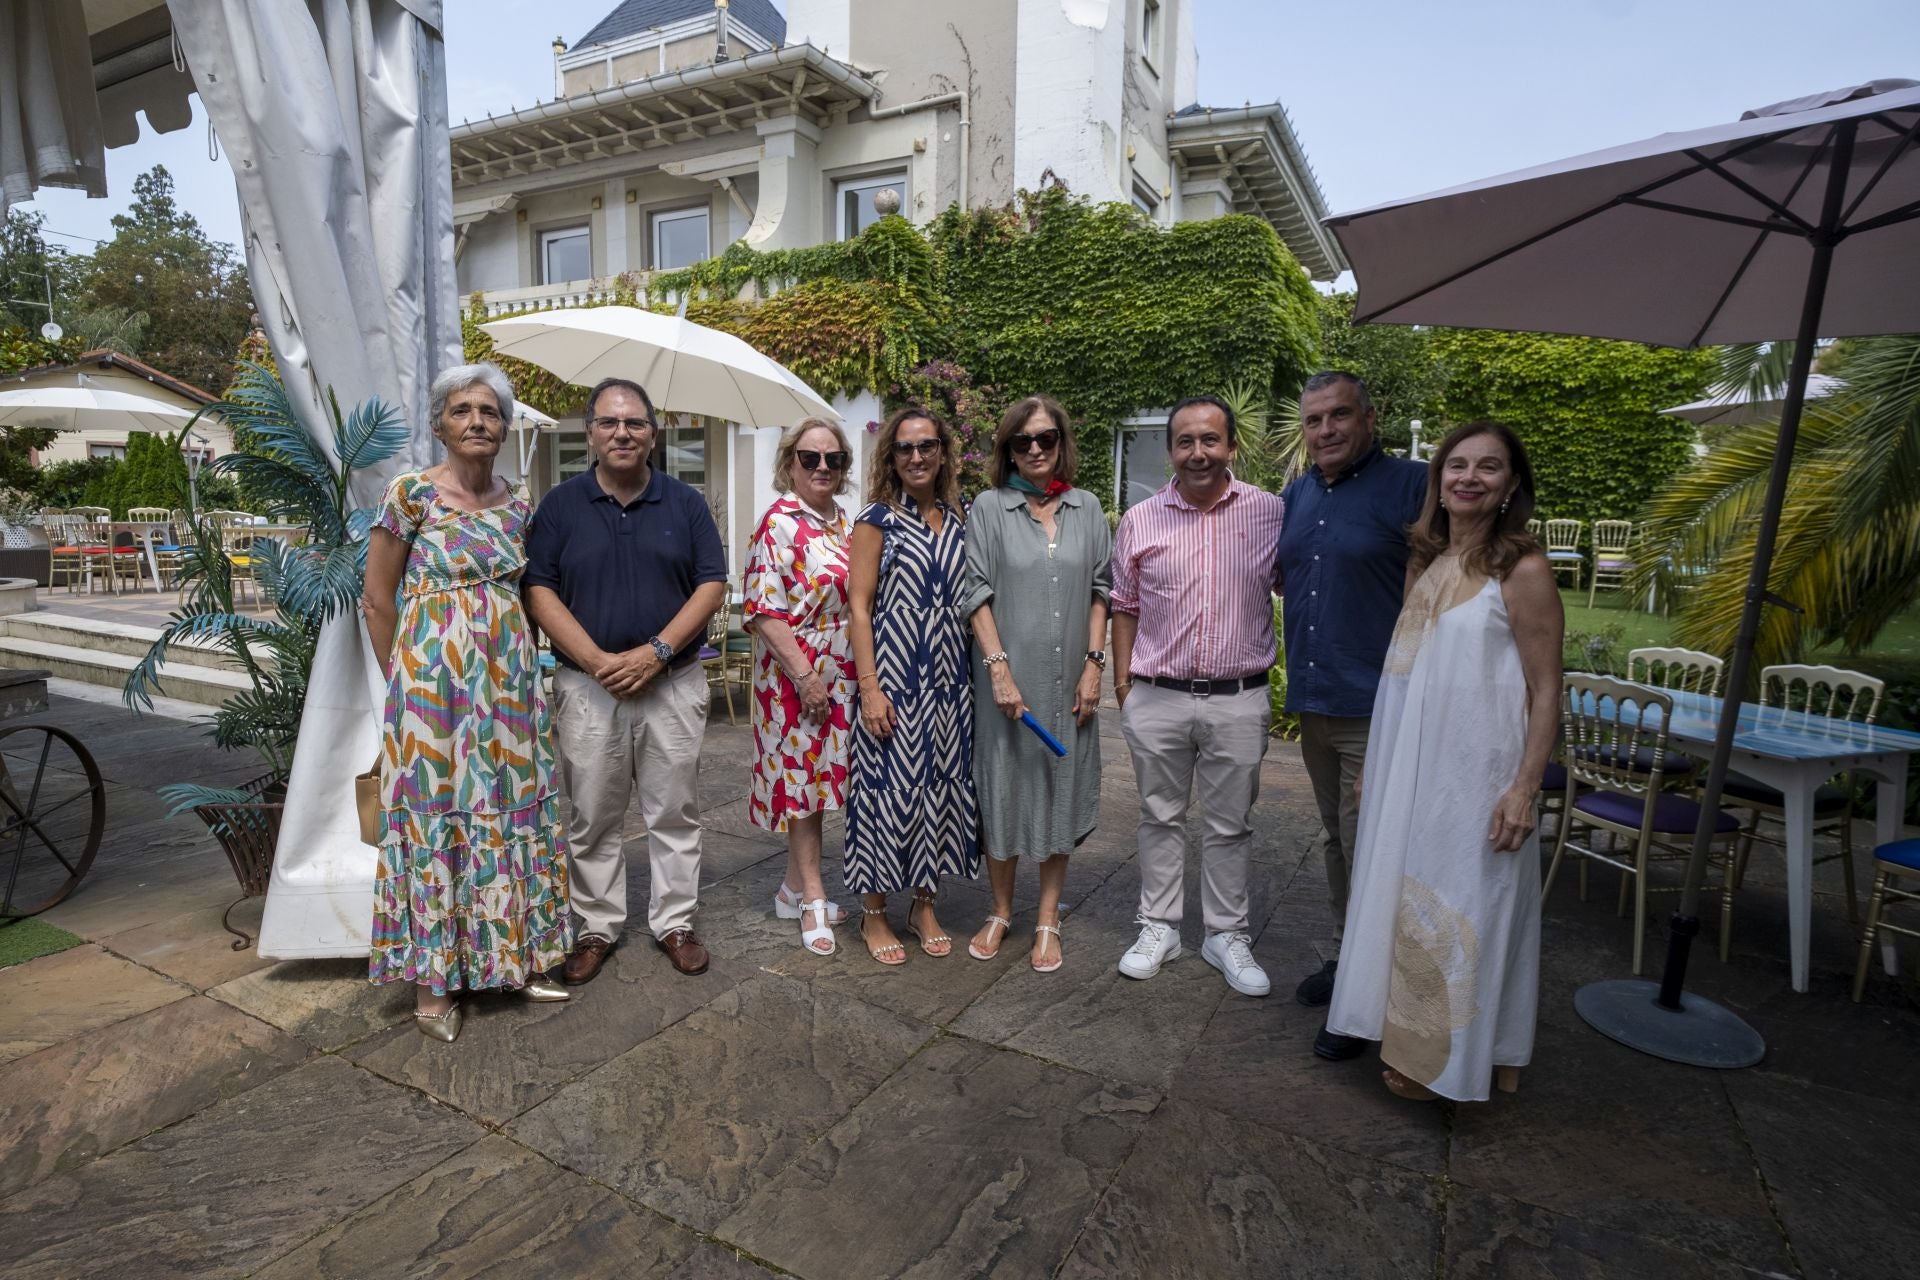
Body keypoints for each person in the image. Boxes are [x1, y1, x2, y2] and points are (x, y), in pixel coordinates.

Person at [1323, 422, 1562, 1102]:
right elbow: (1406, 674)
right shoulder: (1425, 562)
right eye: (1457, 464)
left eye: (1489, 467)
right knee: (1409, 897)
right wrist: (1377, 760)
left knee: (1467, 906)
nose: (1469, 477)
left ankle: (1456, 1060)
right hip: (1412, 768)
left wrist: (1524, 788)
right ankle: (1408, 1035)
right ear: (1438, 480)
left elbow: (1547, 689)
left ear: (1512, 484)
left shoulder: (1523, 570)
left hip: (1479, 772)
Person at [363, 361, 572, 1042]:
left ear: (506, 427)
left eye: (490, 412)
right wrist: (403, 683)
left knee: (514, 818)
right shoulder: (410, 496)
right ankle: (433, 985)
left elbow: (531, 597)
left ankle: (517, 958)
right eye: (463, 410)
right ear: (438, 423)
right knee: (435, 821)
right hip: (432, 695)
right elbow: (377, 598)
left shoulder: (519, 504)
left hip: (509, 688)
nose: (478, 421)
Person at [525, 378, 727, 982]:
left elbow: (711, 583)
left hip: (672, 681)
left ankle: (675, 922)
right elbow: (539, 589)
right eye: (609, 422)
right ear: (589, 432)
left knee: (674, 811)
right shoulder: (560, 506)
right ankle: (596, 925)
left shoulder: (684, 502)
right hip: (588, 688)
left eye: (634, 423)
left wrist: (657, 652)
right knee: (592, 814)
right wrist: (594, 660)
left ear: (653, 433)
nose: (622, 433)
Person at [1110, 395, 1285, 996]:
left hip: (1239, 697)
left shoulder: (1270, 513)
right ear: (1170, 452)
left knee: (1229, 825)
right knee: (1159, 816)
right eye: (1185, 441)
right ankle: (1159, 925)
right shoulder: (1141, 519)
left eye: (1210, 439)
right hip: (1158, 695)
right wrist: (1124, 685)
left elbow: (1296, 584)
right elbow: (1125, 606)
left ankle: (1224, 934)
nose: (1198, 452)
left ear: (1231, 446)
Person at [1280, 371, 1430, 1020]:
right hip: (1316, 701)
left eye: (1338, 416)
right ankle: (1350, 959)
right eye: (1314, 421)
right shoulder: (1297, 495)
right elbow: (1289, 581)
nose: (1325, 431)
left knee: (1374, 842)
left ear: (1370, 418)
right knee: (1339, 839)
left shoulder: (1413, 488)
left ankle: (1377, 992)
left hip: (1379, 706)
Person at [960, 395, 1111, 972]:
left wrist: (1094, 665)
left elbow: (1102, 589)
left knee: (1058, 788)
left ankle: (1047, 918)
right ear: (1008, 450)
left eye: (1045, 438)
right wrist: (998, 669)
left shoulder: (1088, 507)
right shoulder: (990, 508)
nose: (1035, 450)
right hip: (1008, 681)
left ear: (1061, 442)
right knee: (1002, 788)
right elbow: (974, 591)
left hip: (1069, 680)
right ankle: (1001, 910)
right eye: (1022, 442)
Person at [844, 406, 979, 965]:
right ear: (891, 458)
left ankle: (924, 903)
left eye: (927, 446)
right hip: (896, 682)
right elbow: (858, 606)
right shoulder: (877, 518)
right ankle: (873, 911)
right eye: (905, 448)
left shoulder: (958, 515)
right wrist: (870, 688)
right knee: (884, 793)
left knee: (940, 793)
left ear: (943, 452)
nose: (917, 456)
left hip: (950, 687)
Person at [742, 417, 860, 955]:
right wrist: (806, 676)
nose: (821, 468)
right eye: (810, 458)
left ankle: (791, 888)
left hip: (843, 672)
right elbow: (765, 612)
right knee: (803, 786)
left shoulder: (843, 522)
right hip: (798, 676)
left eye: (832, 459)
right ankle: (813, 895)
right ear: (789, 463)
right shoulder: (779, 523)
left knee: (820, 785)